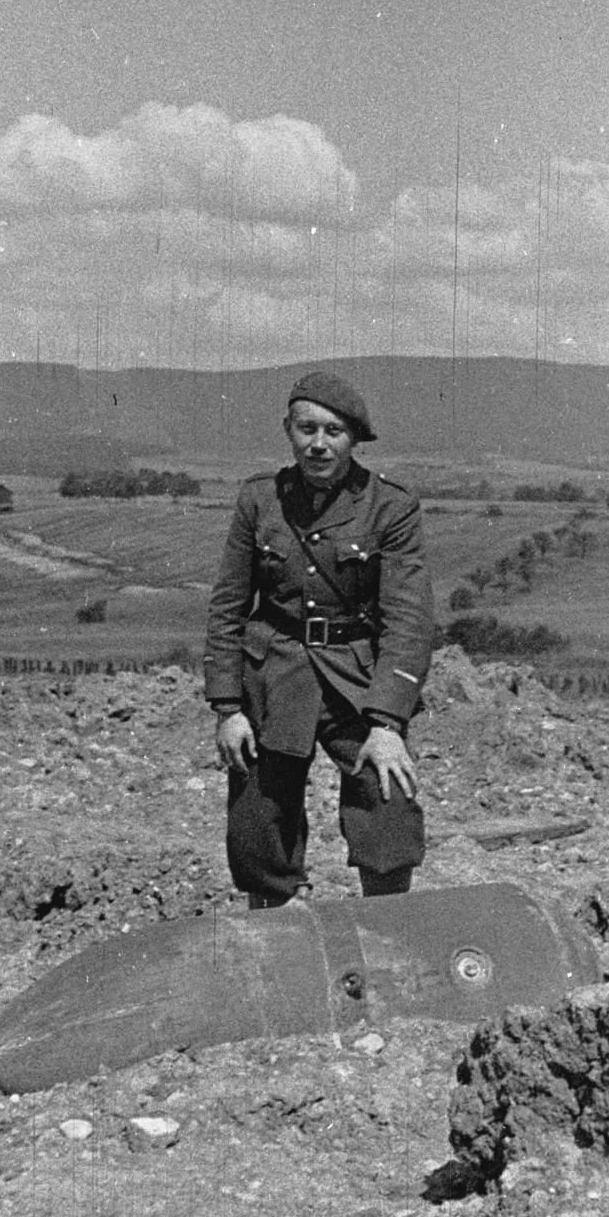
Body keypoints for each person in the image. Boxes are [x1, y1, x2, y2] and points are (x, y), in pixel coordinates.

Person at [203, 370, 435, 909]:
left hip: (356, 679)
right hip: (276, 671)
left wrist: (387, 722)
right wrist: (227, 706)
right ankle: (275, 918)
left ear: (354, 439)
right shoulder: (260, 500)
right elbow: (228, 605)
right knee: (260, 809)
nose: (319, 444)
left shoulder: (389, 508)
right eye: (307, 429)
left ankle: (388, 917)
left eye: (334, 431)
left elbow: (409, 620)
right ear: (288, 430)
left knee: (386, 795)